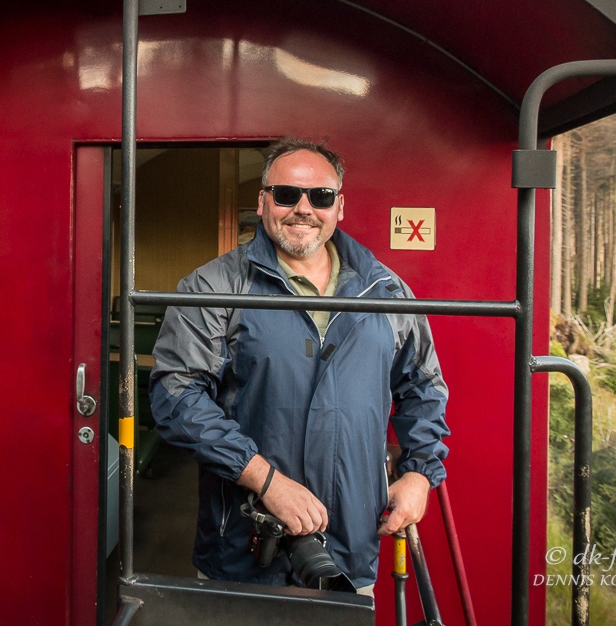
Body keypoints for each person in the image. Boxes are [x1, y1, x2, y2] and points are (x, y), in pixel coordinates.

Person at [149, 137, 448, 595]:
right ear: (263, 202)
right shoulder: (213, 286)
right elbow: (176, 396)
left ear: (339, 206)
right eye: (287, 194)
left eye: (321, 196)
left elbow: (423, 387)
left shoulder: (386, 291)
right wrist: (265, 480)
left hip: (350, 548)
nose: (303, 208)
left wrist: (419, 474)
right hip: (243, 549)